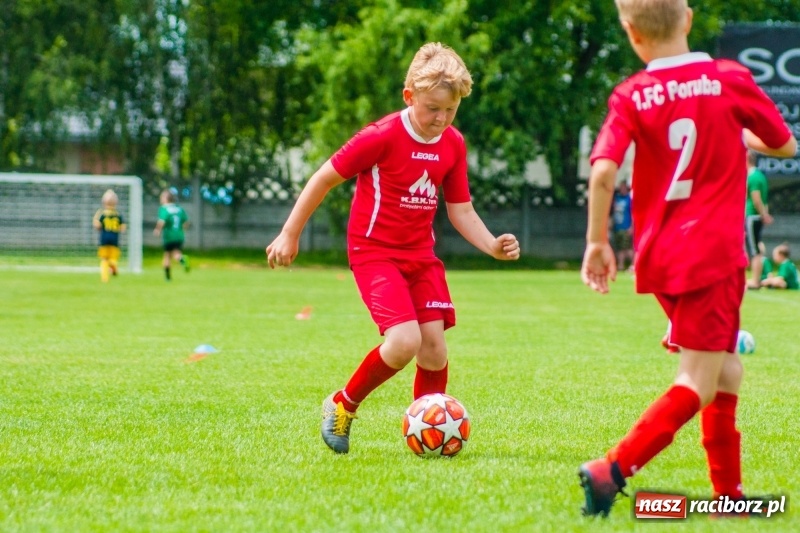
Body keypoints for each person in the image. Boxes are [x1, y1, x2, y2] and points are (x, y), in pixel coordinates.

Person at [579, 0, 796, 518]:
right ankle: (612, 469)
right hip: (713, 256)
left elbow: (605, 173)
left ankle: (730, 499)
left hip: (662, 257)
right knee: (696, 382)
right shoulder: (729, 79)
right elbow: (784, 145)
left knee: (727, 371)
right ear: (690, 20)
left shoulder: (632, 94)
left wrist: (596, 243)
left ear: (632, 34)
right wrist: (736, 133)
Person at [265, 42, 520, 454]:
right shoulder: (381, 136)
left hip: (421, 257)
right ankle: (342, 405)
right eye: (432, 108)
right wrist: (290, 233)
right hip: (374, 253)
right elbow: (323, 178)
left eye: (449, 111)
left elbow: (461, 210)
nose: (440, 119)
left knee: (434, 350)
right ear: (409, 96)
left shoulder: (453, 144)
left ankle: (430, 434)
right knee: (404, 343)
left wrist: (492, 245)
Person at [745, 149, 773, 290]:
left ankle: (755, 281)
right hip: (757, 217)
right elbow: (764, 199)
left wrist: (763, 214)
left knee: (754, 249)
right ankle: (754, 278)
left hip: (752, 216)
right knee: (756, 247)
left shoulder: (753, 177)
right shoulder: (760, 176)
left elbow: (756, 198)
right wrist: (765, 213)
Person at [153, 189, 190, 281]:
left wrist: (157, 230)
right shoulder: (179, 209)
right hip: (179, 235)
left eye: (161, 197)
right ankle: (182, 259)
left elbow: (162, 221)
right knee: (176, 253)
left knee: (167, 256)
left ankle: (168, 278)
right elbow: (186, 223)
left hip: (169, 236)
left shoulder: (164, 209)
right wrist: (183, 231)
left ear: (165, 198)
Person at [92, 189, 126, 282]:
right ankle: (113, 265)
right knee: (113, 258)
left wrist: (96, 221)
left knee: (104, 259)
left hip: (104, 239)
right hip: (115, 239)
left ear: (103, 201)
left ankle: (105, 278)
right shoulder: (118, 214)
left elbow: (97, 225)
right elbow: (123, 228)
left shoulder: (102, 213)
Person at [611, 181, 634, 272]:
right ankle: (620, 265)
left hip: (626, 227)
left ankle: (634, 264)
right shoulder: (617, 199)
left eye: (624, 187)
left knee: (627, 247)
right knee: (620, 248)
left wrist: (632, 226)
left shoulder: (629, 199)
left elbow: (633, 214)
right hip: (617, 227)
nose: (622, 189)